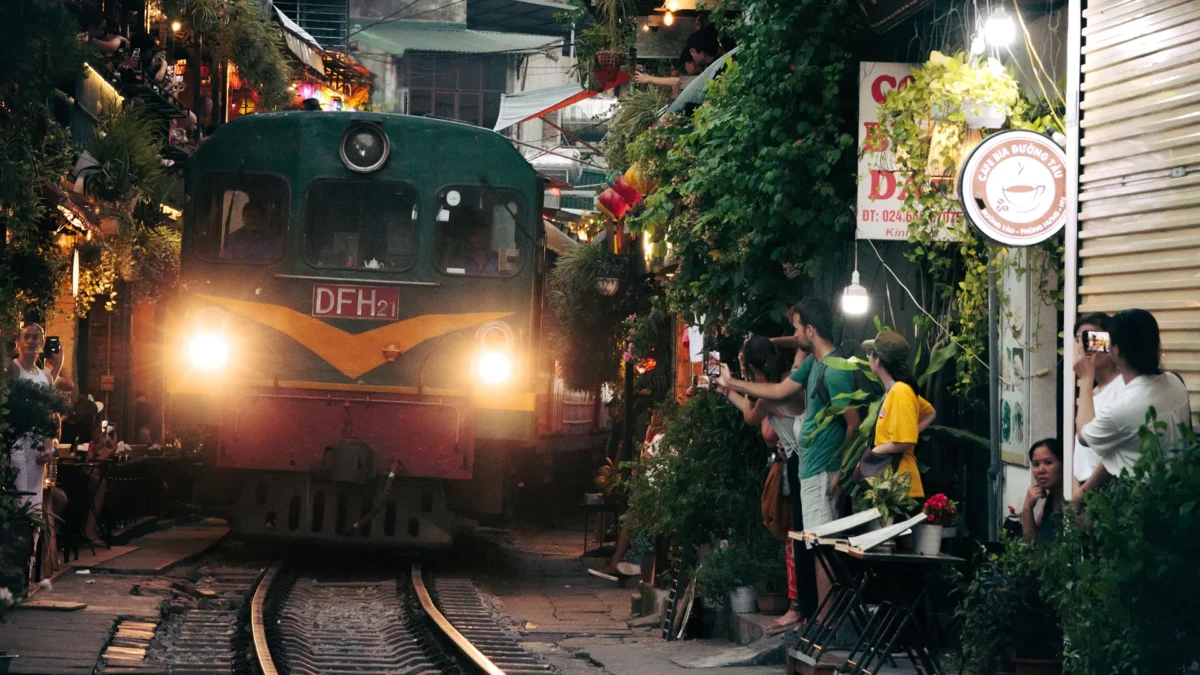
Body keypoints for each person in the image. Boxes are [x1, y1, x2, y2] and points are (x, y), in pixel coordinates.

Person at [717, 298, 861, 612]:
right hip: (808, 470)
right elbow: (779, 391)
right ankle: (821, 618)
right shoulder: (812, 363)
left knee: (822, 546)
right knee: (816, 545)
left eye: (797, 328)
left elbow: (854, 425)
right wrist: (734, 382)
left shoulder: (836, 371)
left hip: (824, 471)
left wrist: (843, 470)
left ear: (810, 329)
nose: (794, 335)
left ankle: (825, 620)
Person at [719, 335, 811, 632]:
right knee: (801, 535)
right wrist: (768, 342)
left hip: (799, 463)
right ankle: (805, 607)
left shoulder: (773, 393)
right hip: (803, 459)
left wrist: (731, 385)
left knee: (798, 536)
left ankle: (799, 608)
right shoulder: (792, 376)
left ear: (753, 372)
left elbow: (750, 416)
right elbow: (800, 342)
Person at [1078, 309, 1192, 492]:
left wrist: (1085, 379)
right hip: (1175, 494)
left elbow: (1084, 437)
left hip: (1136, 499)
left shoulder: (1123, 406)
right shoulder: (1175, 382)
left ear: (1114, 350)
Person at [856, 330, 936, 498]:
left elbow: (905, 441)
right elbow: (929, 413)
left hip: (900, 485)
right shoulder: (896, 390)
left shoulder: (900, 391)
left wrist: (874, 453)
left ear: (878, 360)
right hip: (893, 482)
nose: (868, 357)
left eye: (871, 353)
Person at [1070, 313, 1124, 494]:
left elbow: (1116, 453)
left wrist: (1084, 491)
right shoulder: (1091, 392)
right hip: (1080, 487)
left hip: (1102, 490)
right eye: (1078, 339)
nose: (1083, 346)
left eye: (1091, 338)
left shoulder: (1123, 387)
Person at [1022, 438, 1064, 543]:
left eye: (1048, 462)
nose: (1041, 470)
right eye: (1036, 464)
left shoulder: (1073, 497)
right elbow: (1031, 545)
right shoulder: (1051, 498)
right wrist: (1027, 507)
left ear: (1064, 465)